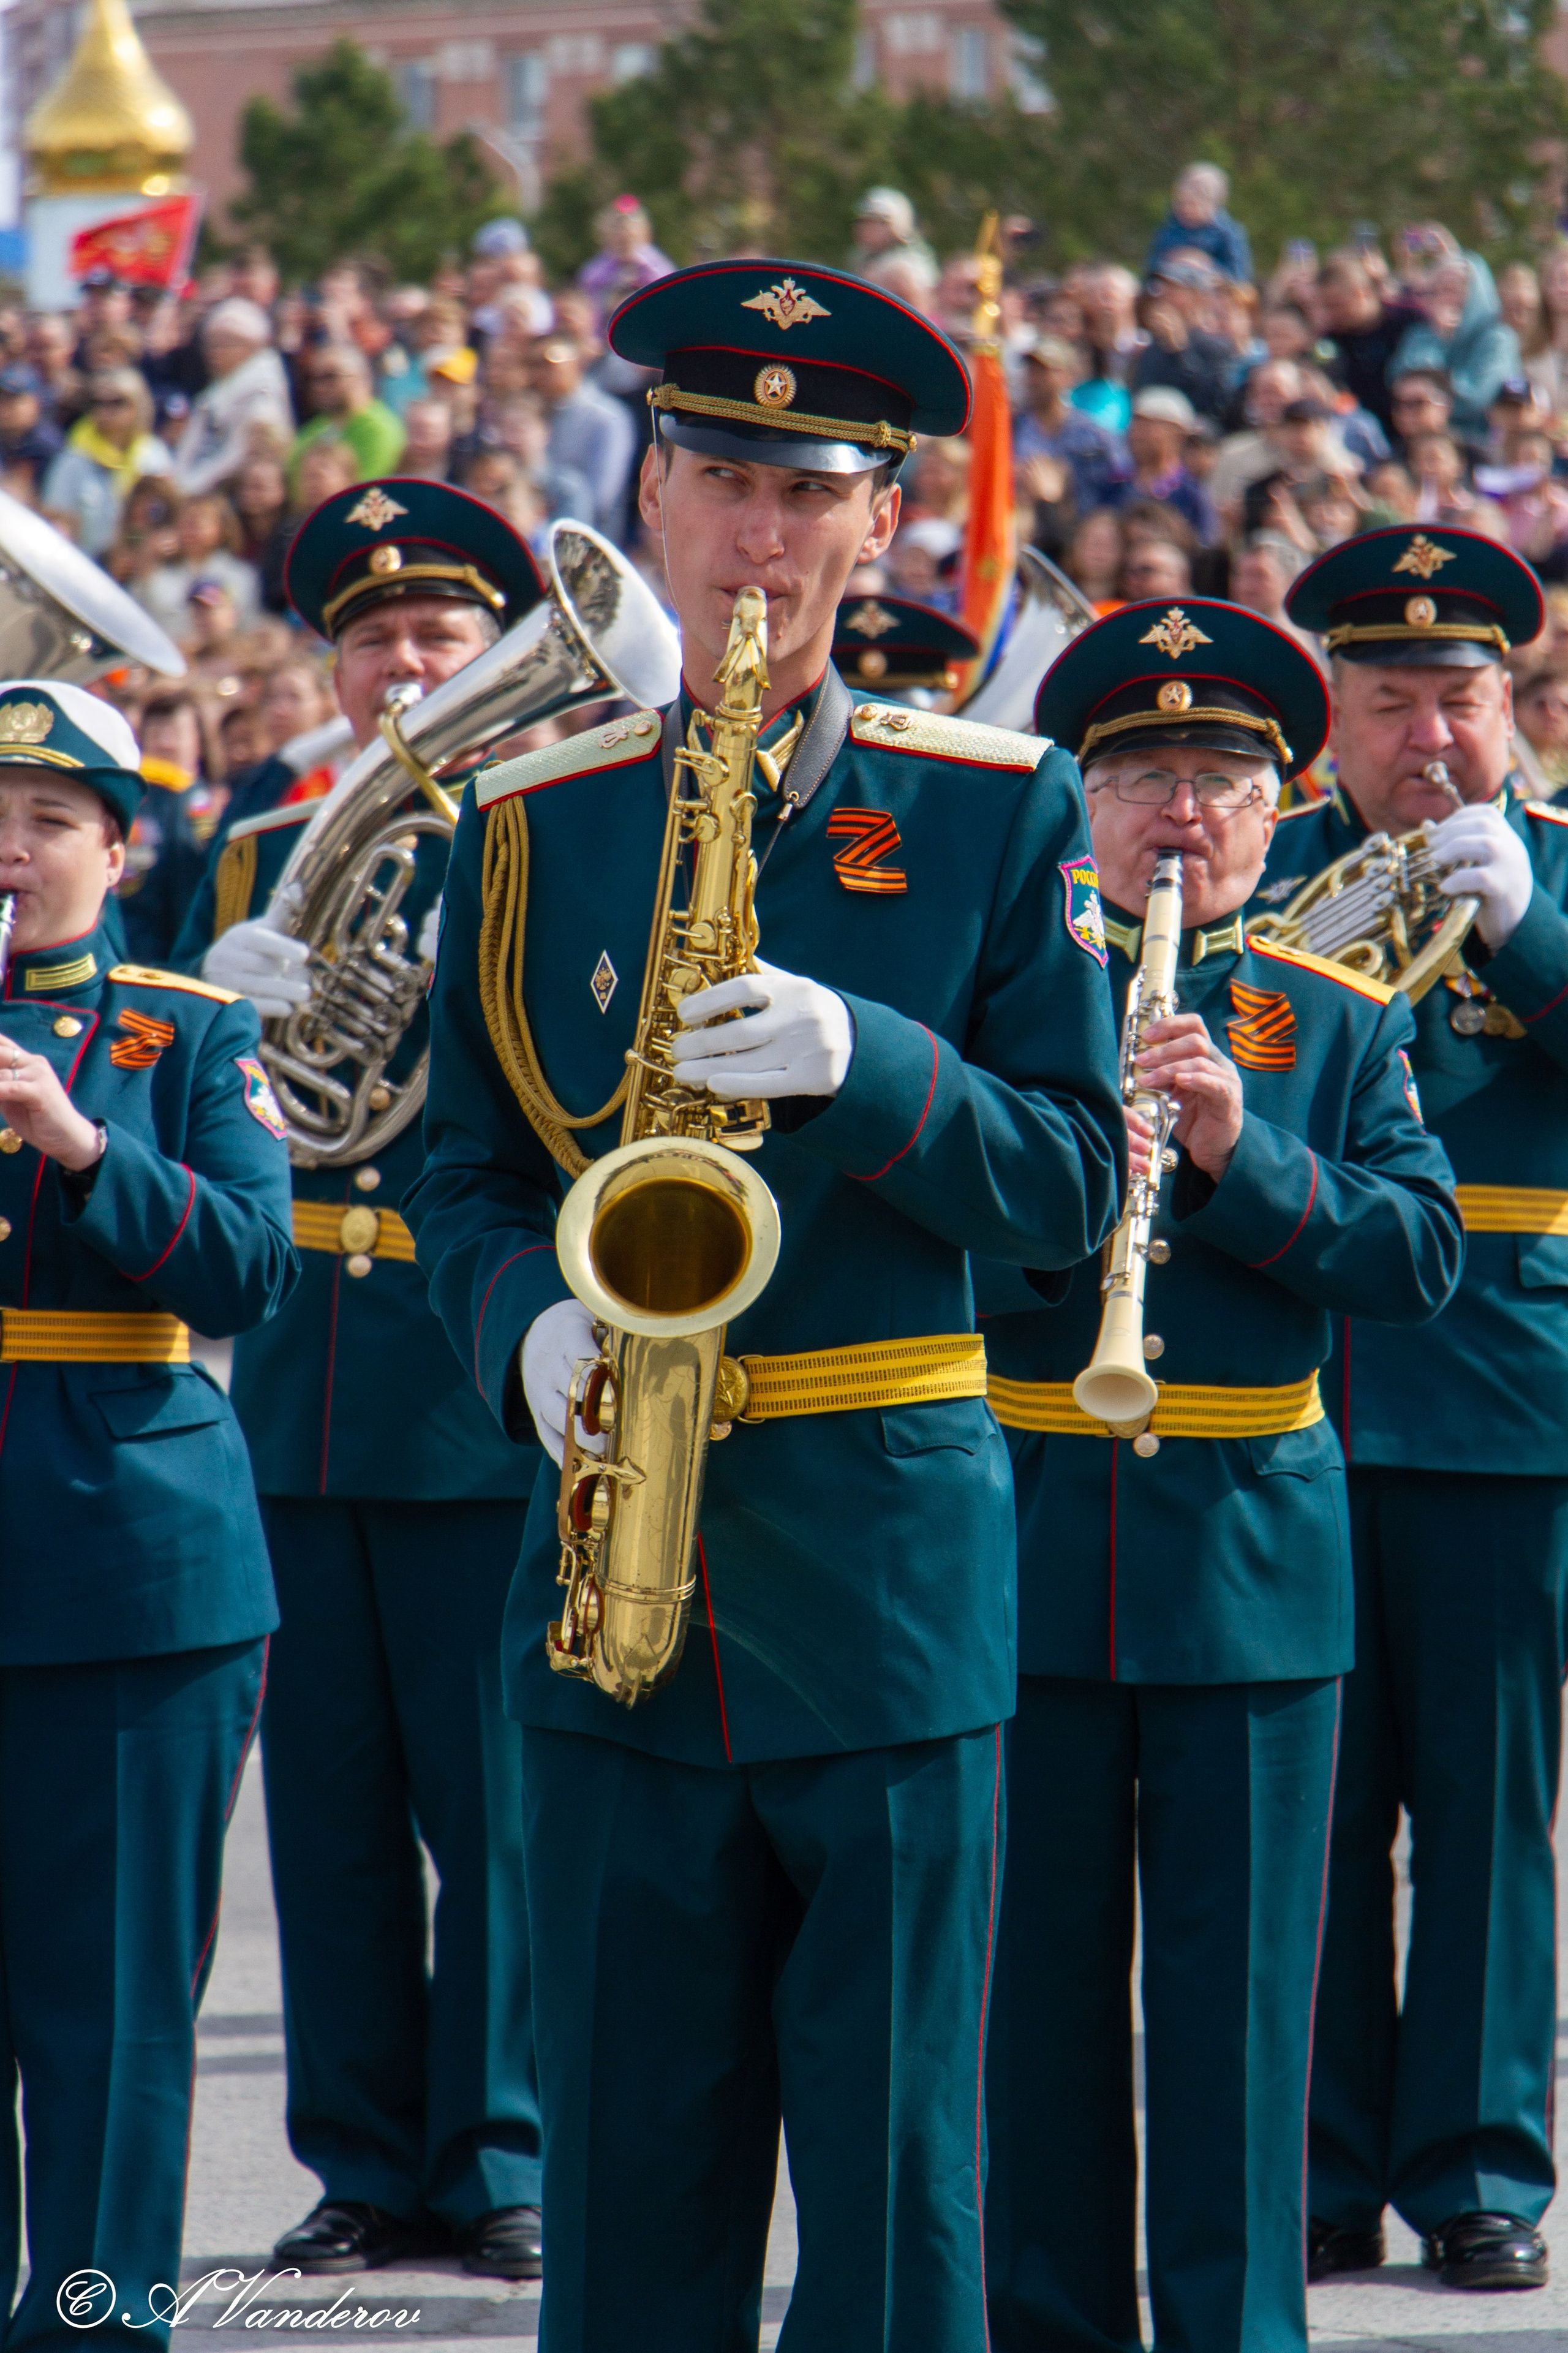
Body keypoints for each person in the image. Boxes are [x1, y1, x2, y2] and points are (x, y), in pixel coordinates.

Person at [405, 257, 1126, 2351]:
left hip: (888, 1588)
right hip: (615, 1593)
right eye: (721, 477)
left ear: (885, 520)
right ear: (649, 491)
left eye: (815, 490)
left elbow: (1077, 1188)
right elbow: (461, 1178)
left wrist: (871, 1064)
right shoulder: (527, 830)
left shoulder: (1001, 811)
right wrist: (520, 1329)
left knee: (902, 2208)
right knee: (627, 2206)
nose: (763, 535)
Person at [982, 599, 1463, 2353]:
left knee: (1243, 2019)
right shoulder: (1008, 995)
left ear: (1278, 811)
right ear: (1078, 807)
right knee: (1025, 2014)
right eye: (1140, 777)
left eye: (1222, 778)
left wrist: (1238, 1150)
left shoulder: (1331, 1020)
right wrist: (1055, 1166)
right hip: (1022, 1551)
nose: (1181, 814)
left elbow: (1417, 1254)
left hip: (1252, 1574)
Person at [172, 480, 552, 2283]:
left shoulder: (546, 830)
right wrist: (209, 1003)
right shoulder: (254, 851)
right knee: (323, 1807)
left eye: (437, 637)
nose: (406, 664)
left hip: (471, 1384)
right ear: (327, 670)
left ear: (488, 655)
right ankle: (358, 2157)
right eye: (373, 640)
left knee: (491, 1804)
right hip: (298, 1390)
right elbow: (158, 1076)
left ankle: (499, 2146)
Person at [1262, 527, 1566, 2292]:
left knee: (1482, 1813)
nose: (1431, 738)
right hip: (1288, 1400)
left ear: (1517, 705)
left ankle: (1477, 2170)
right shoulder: (1262, 871)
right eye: (1391, 704)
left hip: (1503, 1411)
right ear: (1332, 718)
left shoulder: (1563, 882)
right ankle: (1311, 2163)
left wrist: (1524, 935)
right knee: (1303, 1806)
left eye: (1462, 698)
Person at [0, 678, 296, 2343]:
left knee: (111, 2008)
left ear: (120, 849)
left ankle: (98, 2320)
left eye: (48, 822)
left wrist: (78, 1137)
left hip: (129, 1569)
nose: (12, 851)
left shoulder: (187, 1034)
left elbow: (252, 1268)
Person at [41, 367, 172, 556]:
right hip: (83, 563)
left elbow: (159, 525)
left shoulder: (154, 455)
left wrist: (131, 547)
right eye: (98, 402)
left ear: (138, 405)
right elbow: (59, 522)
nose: (105, 409)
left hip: (133, 564)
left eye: (117, 402)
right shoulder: (74, 459)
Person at [172, 297, 293, 499]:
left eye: (226, 345)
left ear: (252, 346)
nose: (215, 353)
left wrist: (185, 491)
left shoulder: (262, 394)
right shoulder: (216, 392)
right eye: (211, 345)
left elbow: (235, 458)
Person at [530, 335, 636, 543]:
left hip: (590, 543)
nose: (541, 374)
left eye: (551, 365)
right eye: (535, 365)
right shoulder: (531, 411)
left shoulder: (606, 417)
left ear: (576, 364)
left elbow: (602, 499)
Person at [1014, 332, 1123, 513]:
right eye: (1031, 371)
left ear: (1068, 377)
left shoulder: (1094, 438)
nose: (1034, 380)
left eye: (1044, 372)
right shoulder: (1013, 428)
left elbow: (1110, 493)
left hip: (1070, 530)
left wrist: (1060, 492)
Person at [287, 345, 405, 495]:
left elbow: (364, 494)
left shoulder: (379, 428)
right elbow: (295, 492)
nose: (320, 386)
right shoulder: (312, 431)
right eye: (314, 379)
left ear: (362, 376)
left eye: (331, 376)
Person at [1104, 387, 1215, 541]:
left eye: (1149, 426)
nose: (1138, 434)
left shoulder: (1190, 496)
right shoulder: (1113, 485)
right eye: (1136, 423)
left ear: (1178, 435)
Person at [576, 195, 676, 328]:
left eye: (629, 237)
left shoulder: (655, 264)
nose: (623, 240)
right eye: (617, 236)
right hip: (606, 333)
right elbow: (589, 302)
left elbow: (668, 294)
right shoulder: (597, 269)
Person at [1145, 162, 1253, 285]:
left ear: (1213, 204)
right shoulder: (1168, 231)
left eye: (1193, 204)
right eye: (1180, 203)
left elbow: (1239, 280)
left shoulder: (1229, 235)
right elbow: (1150, 276)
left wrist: (1204, 264)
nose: (1185, 210)